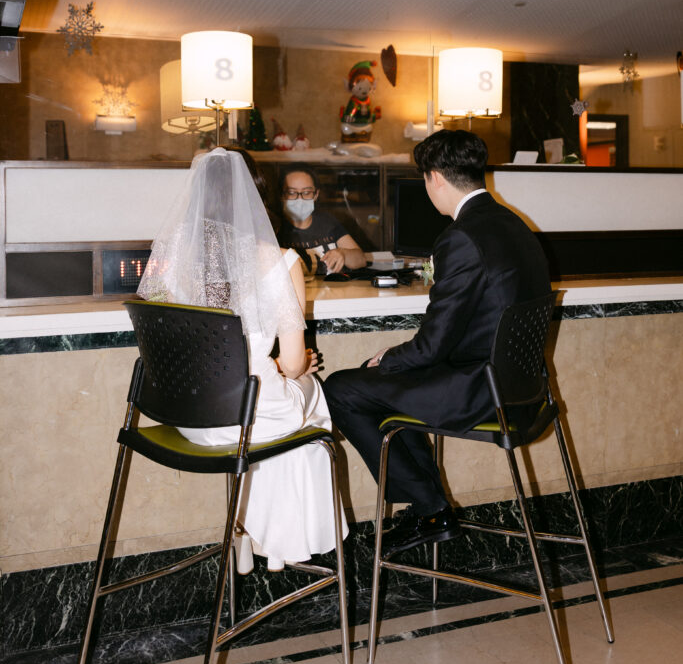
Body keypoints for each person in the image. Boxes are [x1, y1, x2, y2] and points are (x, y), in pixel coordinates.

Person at [324, 129, 551, 553]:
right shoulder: (515, 224)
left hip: (481, 391)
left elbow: (432, 346)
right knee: (386, 385)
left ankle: (431, 508)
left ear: (435, 178)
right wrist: (396, 361)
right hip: (524, 388)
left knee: (342, 388)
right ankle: (429, 509)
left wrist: (388, 359)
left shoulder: (461, 236)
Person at [137, 148, 347, 571]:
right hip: (248, 415)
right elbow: (292, 363)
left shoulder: (172, 260)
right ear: (256, 193)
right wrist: (293, 368)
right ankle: (279, 540)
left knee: (281, 421)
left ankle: (246, 530)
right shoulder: (281, 260)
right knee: (309, 401)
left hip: (189, 416)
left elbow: (168, 342)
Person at [278, 165, 366, 274]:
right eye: (292, 192)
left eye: (306, 192)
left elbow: (361, 259)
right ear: (282, 195)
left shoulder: (327, 222)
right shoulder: (275, 228)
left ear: (316, 194)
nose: (299, 198)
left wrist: (343, 253)